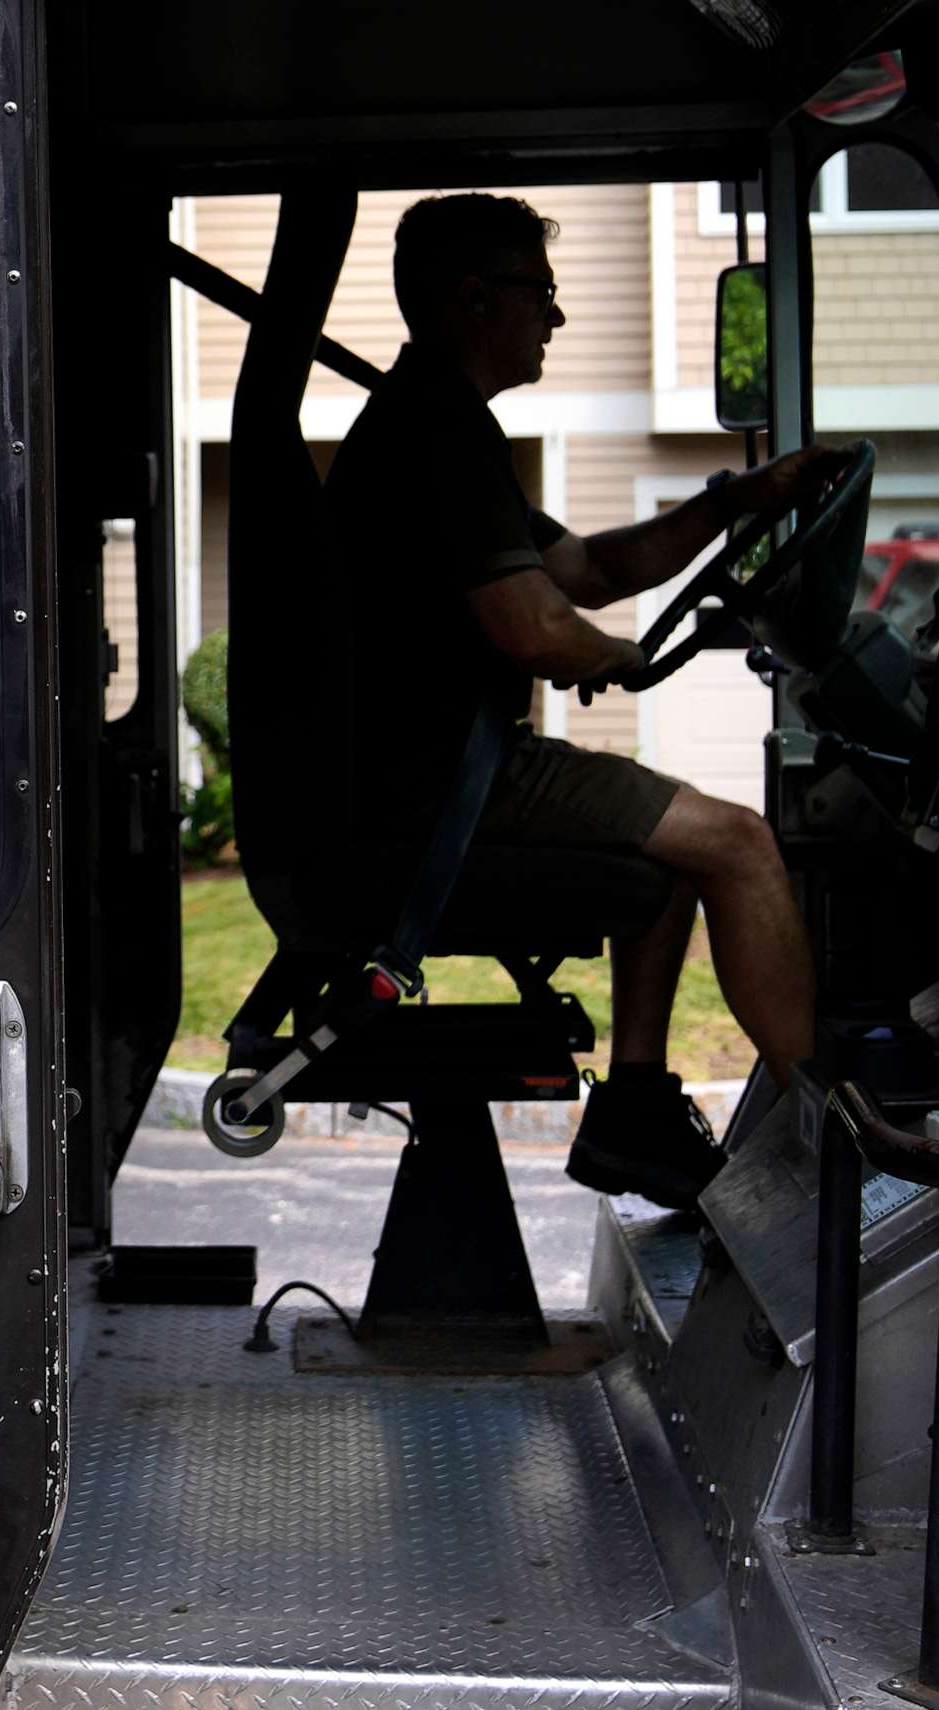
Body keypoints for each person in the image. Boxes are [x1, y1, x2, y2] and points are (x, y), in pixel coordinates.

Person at [324, 192, 836, 1211]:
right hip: (443, 792)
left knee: (678, 846)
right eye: (541, 295)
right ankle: (840, 1136)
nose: (554, 318)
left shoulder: (439, 423)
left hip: (430, 778)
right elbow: (538, 627)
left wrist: (734, 503)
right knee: (737, 842)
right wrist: (626, 659)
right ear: (476, 299)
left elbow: (590, 569)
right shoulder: (441, 431)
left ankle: (636, 1107)